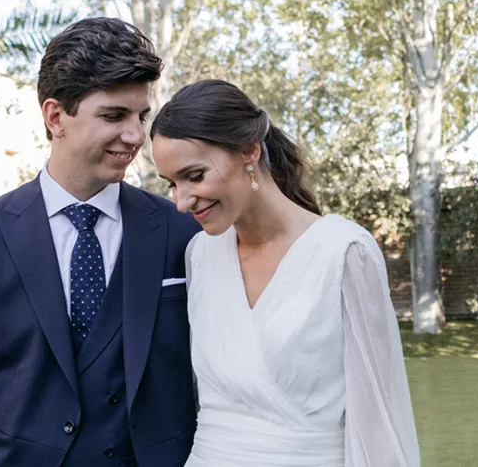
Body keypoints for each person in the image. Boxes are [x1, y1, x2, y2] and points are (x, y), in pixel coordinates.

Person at [0, 18, 201, 467]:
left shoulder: (182, 229)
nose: (134, 136)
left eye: (140, 117)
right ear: (55, 117)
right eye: (114, 116)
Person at [150, 79, 420, 467]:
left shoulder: (344, 252)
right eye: (172, 184)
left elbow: (378, 416)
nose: (181, 201)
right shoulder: (199, 255)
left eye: (194, 176)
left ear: (249, 150)